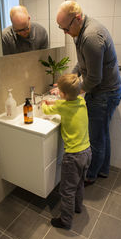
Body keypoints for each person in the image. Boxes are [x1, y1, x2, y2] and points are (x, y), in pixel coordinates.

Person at [54, 0, 121, 185]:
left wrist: (71, 92)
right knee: (102, 134)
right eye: (61, 29)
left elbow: (93, 79)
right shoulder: (80, 30)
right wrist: (66, 81)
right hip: (105, 91)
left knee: (96, 138)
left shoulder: (91, 36)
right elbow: (82, 64)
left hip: (104, 93)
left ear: (77, 19)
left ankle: (90, 176)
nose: (65, 33)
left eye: (65, 28)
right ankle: (103, 170)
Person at [42, 74, 92, 230]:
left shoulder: (62, 106)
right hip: (87, 152)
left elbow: (47, 109)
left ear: (62, 94)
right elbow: (63, 104)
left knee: (67, 190)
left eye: (59, 91)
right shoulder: (82, 101)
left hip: (73, 157)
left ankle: (65, 221)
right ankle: (77, 207)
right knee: (79, 184)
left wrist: (44, 102)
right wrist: (58, 99)